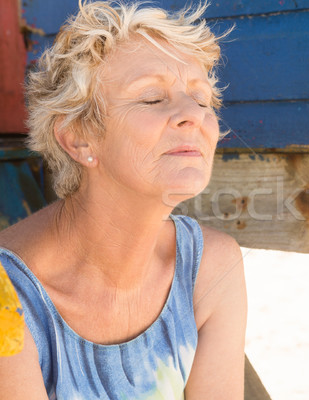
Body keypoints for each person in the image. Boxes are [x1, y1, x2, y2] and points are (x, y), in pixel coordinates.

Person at [0, 1, 247, 398]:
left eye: (201, 99)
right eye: (152, 98)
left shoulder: (211, 268)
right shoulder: (7, 297)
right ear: (78, 138)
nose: (194, 115)